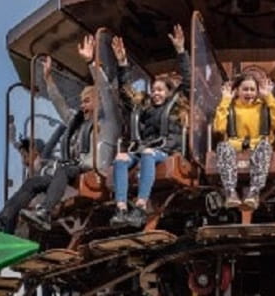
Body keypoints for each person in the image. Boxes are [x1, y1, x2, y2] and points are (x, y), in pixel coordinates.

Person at [23, 35, 120, 231]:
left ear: (99, 101)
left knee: (64, 169)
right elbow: (61, 107)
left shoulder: (109, 120)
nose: (82, 106)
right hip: (78, 167)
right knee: (34, 181)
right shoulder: (80, 124)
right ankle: (4, 221)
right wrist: (48, 80)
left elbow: (106, 91)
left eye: (87, 101)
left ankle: (45, 212)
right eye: (81, 101)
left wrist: (91, 63)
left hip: (98, 169)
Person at [109, 27, 190, 228]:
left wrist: (181, 52)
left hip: (166, 149)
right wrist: (122, 63)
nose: (155, 93)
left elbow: (188, 82)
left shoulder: (176, 106)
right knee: (120, 158)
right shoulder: (144, 107)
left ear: (169, 92)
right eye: (153, 90)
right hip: (144, 148)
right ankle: (121, 208)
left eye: (160, 90)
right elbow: (126, 93)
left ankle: (141, 205)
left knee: (147, 154)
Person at [212, 72, 275, 209]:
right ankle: (231, 192)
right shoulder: (231, 106)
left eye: (252, 90)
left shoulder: (263, 106)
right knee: (223, 146)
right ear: (237, 91)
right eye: (245, 89)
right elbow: (219, 128)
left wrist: (268, 97)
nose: (249, 93)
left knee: (264, 146)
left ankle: (254, 192)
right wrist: (225, 101)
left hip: (258, 145)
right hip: (235, 145)